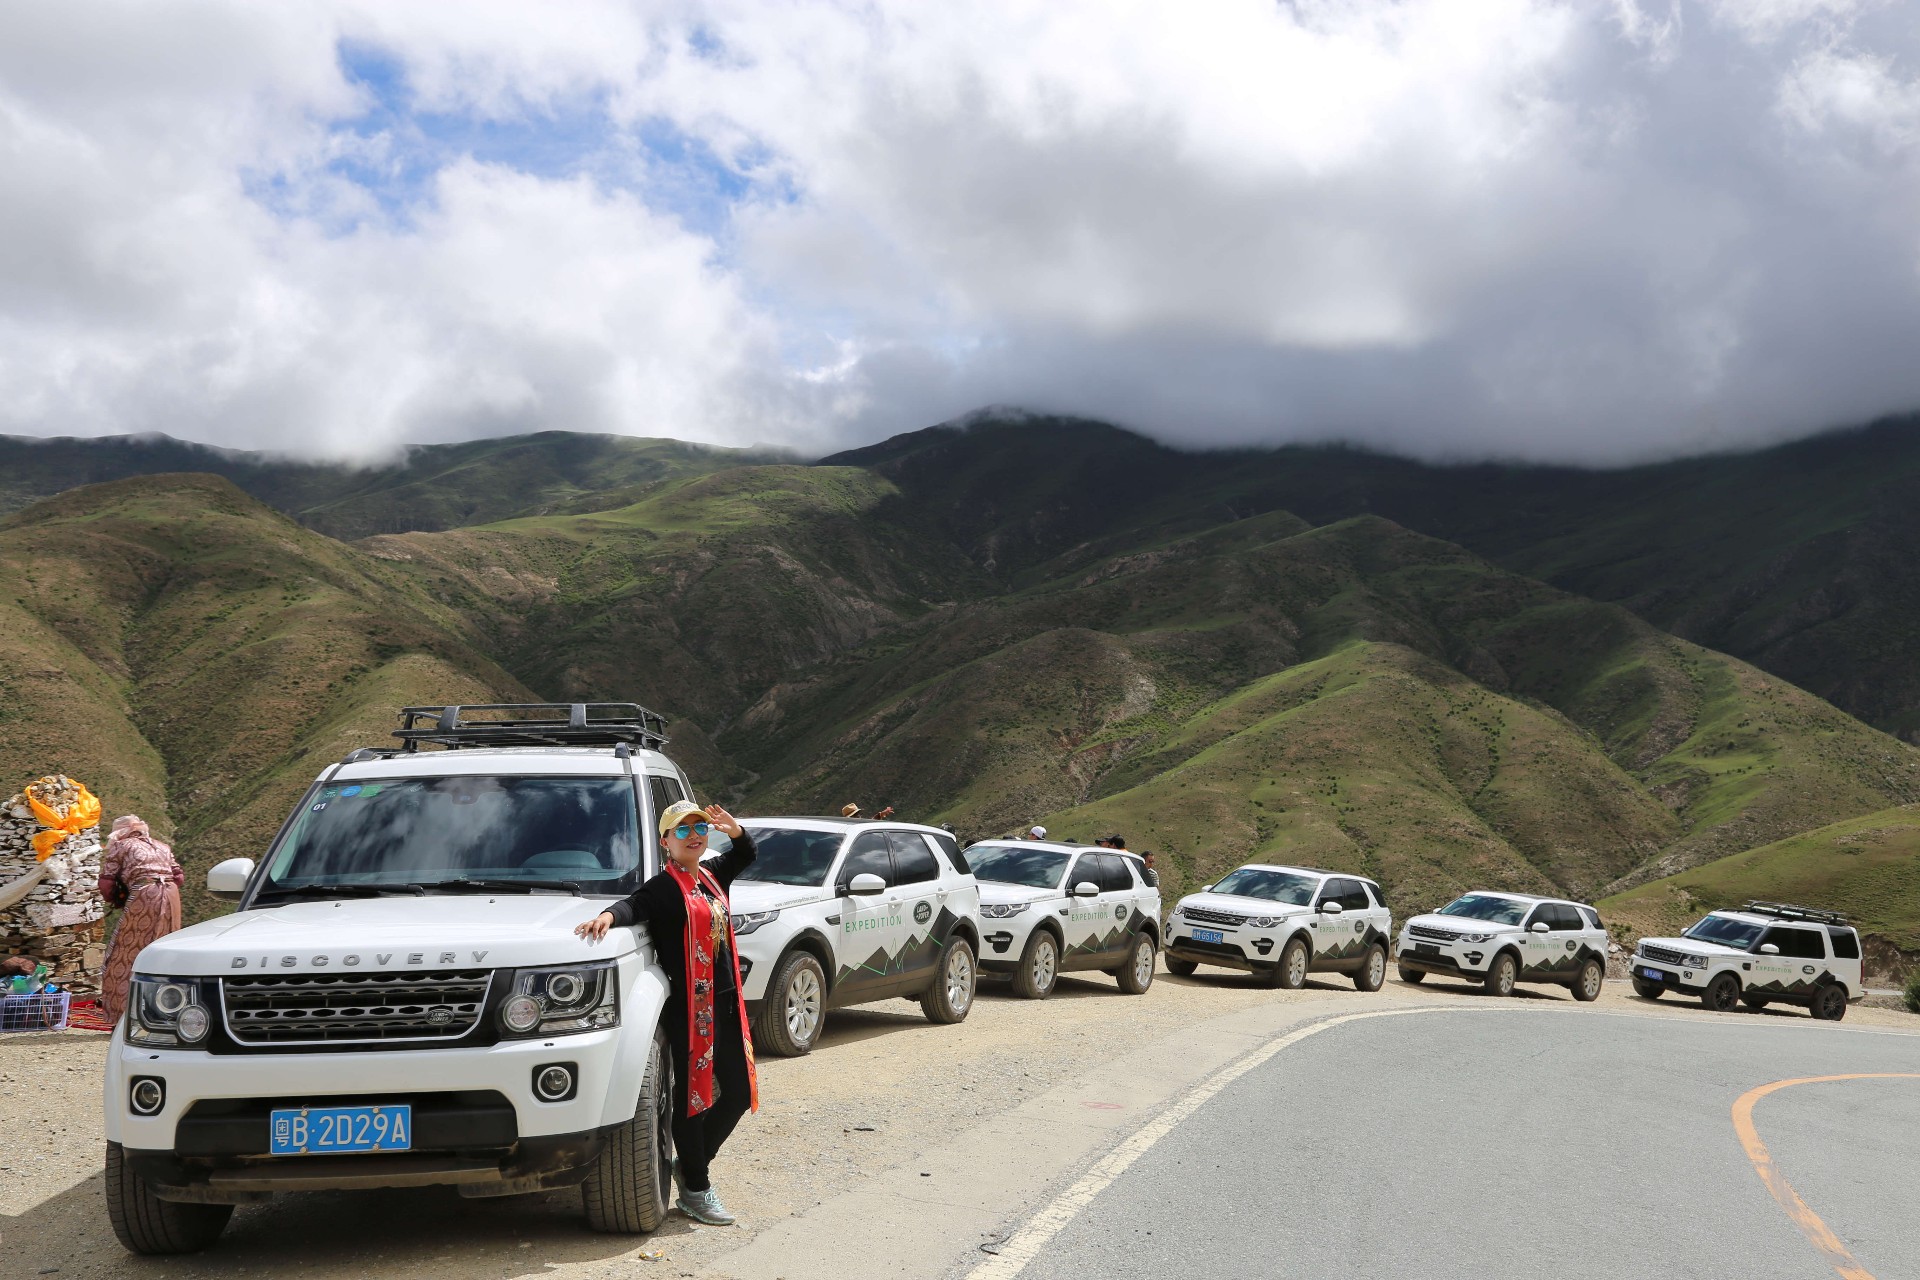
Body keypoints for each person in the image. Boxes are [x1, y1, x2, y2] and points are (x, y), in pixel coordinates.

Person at [575, 801, 758, 1225]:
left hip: (726, 1003)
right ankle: (696, 1187)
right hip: (689, 1010)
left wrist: (735, 830)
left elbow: (747, 854)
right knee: (693, 1097)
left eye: (698, 826)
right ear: (665, 843)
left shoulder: (713, 874)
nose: (693, 834)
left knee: (738, 1092)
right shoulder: (662, 887)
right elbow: (632, 906)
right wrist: (606, 915)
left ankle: (691, 1165)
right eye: (682, 830)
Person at [97, 815, 185, 1023]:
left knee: (125, 953)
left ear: (120, 833)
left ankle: (122, 1014)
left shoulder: (121, 846)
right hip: (172, 895)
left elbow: (106, 885)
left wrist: (119, 897)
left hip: (146, 894)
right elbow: (179, 877)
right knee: (165, 948)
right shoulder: (162, 846)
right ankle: (166, 1009)